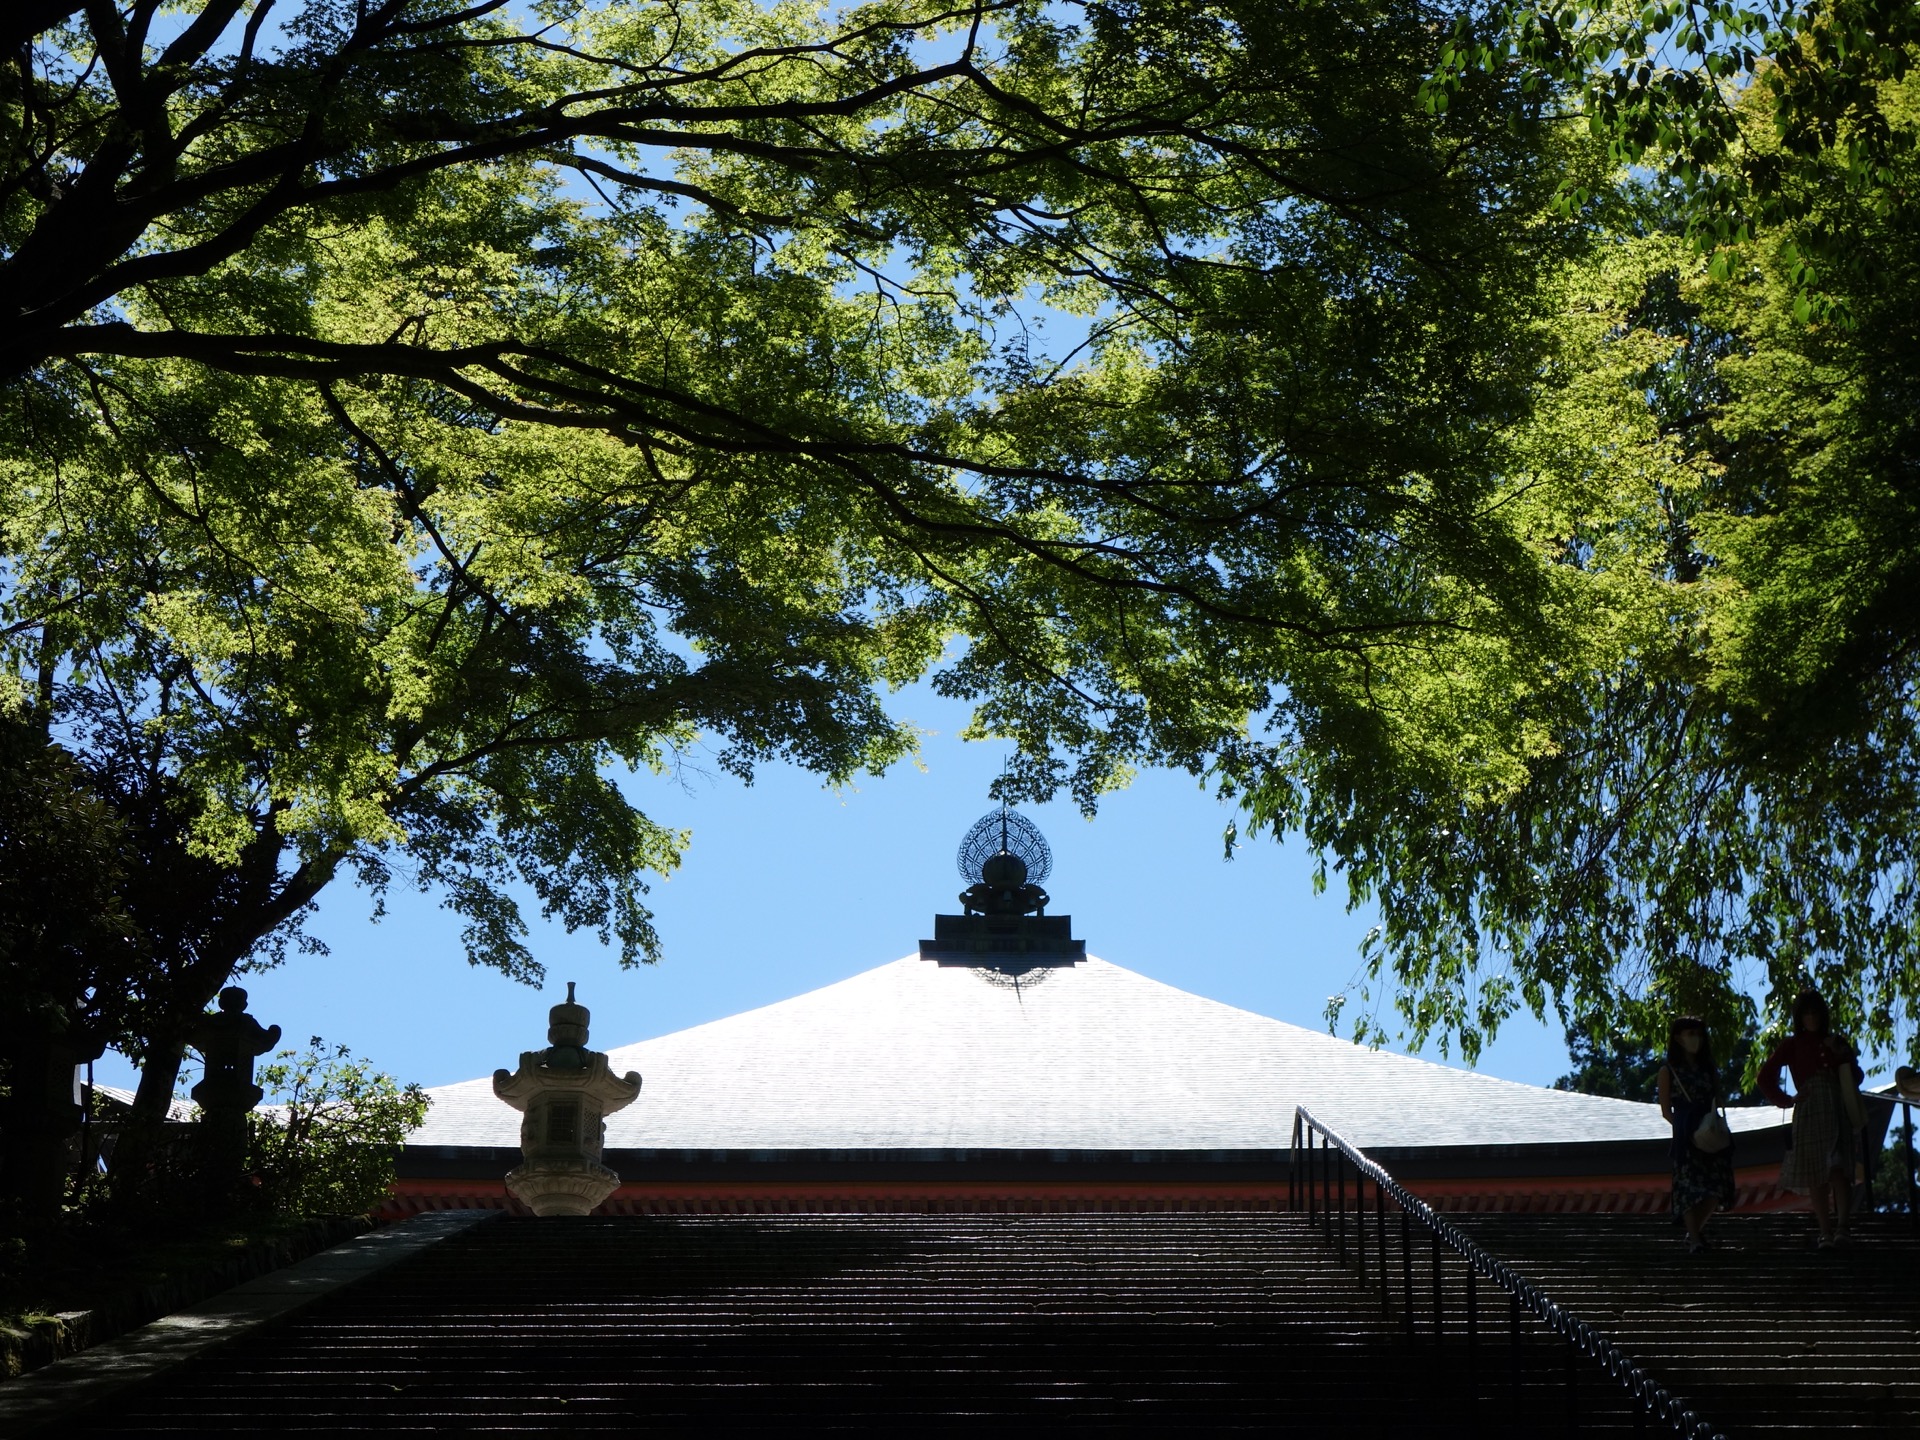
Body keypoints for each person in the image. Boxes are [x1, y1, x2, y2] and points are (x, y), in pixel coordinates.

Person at [1758, 990, 1865, 1248]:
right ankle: (1825, 1231)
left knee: (1839, 1169)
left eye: (1815, 1012)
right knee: (1817, 1172)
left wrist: (1841, 1053)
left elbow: (1856, 1077)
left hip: (1837, 1105)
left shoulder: (1835, 1041)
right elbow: (1764, 1077)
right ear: (1799, 1017)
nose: (1811, 1017)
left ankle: (1843, 1226)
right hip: (1809, 1108)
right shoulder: (1791, 1045)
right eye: (1806, 1013)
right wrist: (1787, 1100)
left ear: (1823, 1014)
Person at [1657, 1016, 1736, 1253]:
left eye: (1698, 1034)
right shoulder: (1668, 1070)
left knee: (1716, 1188)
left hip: (1709, 1127)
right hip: (1685, 1133)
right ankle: (1694, 1238)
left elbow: (1717, 1099)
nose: (1695, 1039)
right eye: (1690, 1033)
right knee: (1689, 1189)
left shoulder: (1708, 1069)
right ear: (1678, 1038)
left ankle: (1695, 1234)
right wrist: (1684, 1129)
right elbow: (1665, 1110)